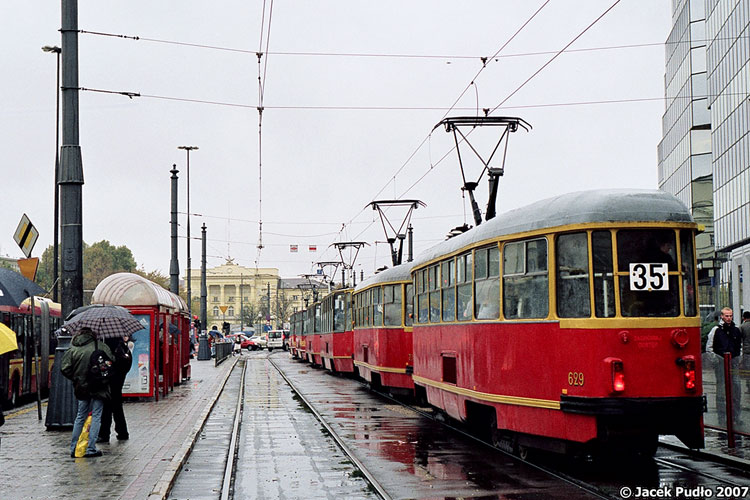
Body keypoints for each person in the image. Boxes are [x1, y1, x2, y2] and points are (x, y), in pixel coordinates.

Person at [61, 327, 113, 458]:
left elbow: (65, 368)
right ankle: (90, 448)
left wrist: (76, 378)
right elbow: (112, 362)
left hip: (81, 387)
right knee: (96, 416)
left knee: (80, 416)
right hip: (99, 386)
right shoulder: (101, 346)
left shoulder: (74, 348)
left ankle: (74, 448)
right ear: (93, 335)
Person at [706, 307, 743, 425]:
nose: (729, 318)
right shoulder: (716, 330)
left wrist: (738, 358)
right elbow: (709, 347)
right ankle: (722, 417)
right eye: (726, 316)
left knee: (736, 390)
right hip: (721, 363)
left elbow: (740, 346)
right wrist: (716, 361)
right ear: (721, 316)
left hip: (733, 363)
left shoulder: (736, 330)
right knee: (722, 391)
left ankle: (735, 417)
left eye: (730, 315)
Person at [98, 335, 132, 443]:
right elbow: (128, 363)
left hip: (110, 381)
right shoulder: (124, 348)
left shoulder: (109, 349)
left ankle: (104, 434)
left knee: (107, 408)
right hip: (119, 380)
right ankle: (122, 432)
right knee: (117, 408)